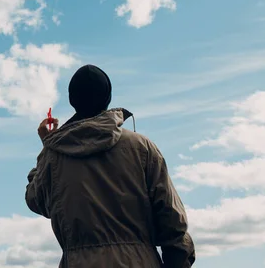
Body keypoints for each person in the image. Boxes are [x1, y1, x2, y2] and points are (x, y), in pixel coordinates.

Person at [25, 64, 195, 268]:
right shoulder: (142, 147)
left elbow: (36, 200)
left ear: (72, 100)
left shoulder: (54, 157)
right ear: (108, 98)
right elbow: (173, 222)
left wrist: (48, 147)